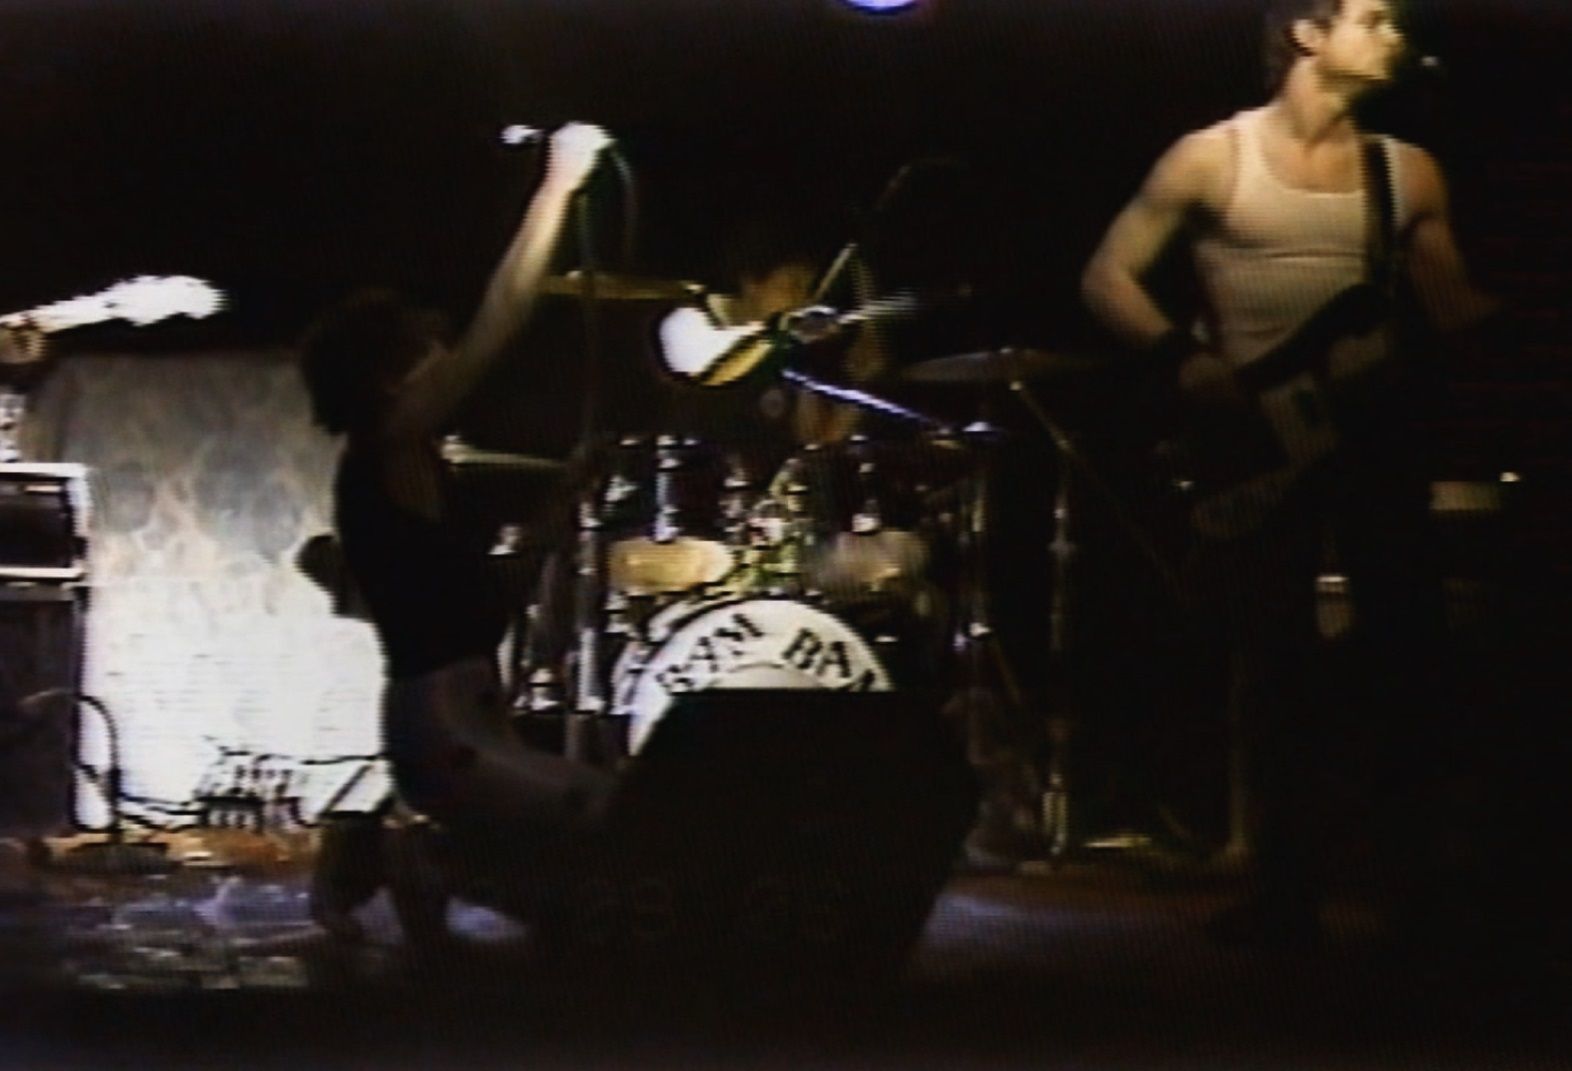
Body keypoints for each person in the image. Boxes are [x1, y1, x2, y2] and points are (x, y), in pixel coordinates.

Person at [1081, 0, 1498, 947]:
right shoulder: (1212, 157)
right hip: (1257, 446)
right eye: (1373, 18)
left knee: (1405, 650)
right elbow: (1107, 277)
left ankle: (1410, 883)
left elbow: (1451, 306)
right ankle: (1283, 887)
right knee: (1275, 662)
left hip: (1375, 439)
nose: (1394, 36)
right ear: (1308, 34)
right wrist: (1187, 364)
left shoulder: (1407, 171)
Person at [298, 123, 618, 941]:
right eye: (426, 352)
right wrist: (557, 184)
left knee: (565, 884)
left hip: (466, 715)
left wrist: (560, 507)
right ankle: (409, 854)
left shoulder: (419, 465)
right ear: (388, 379)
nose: (447, 358)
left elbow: (485, 602)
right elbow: (501, 317)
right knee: (595, 810)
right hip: (441, 728)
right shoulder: (386, 446)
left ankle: (377, 850)